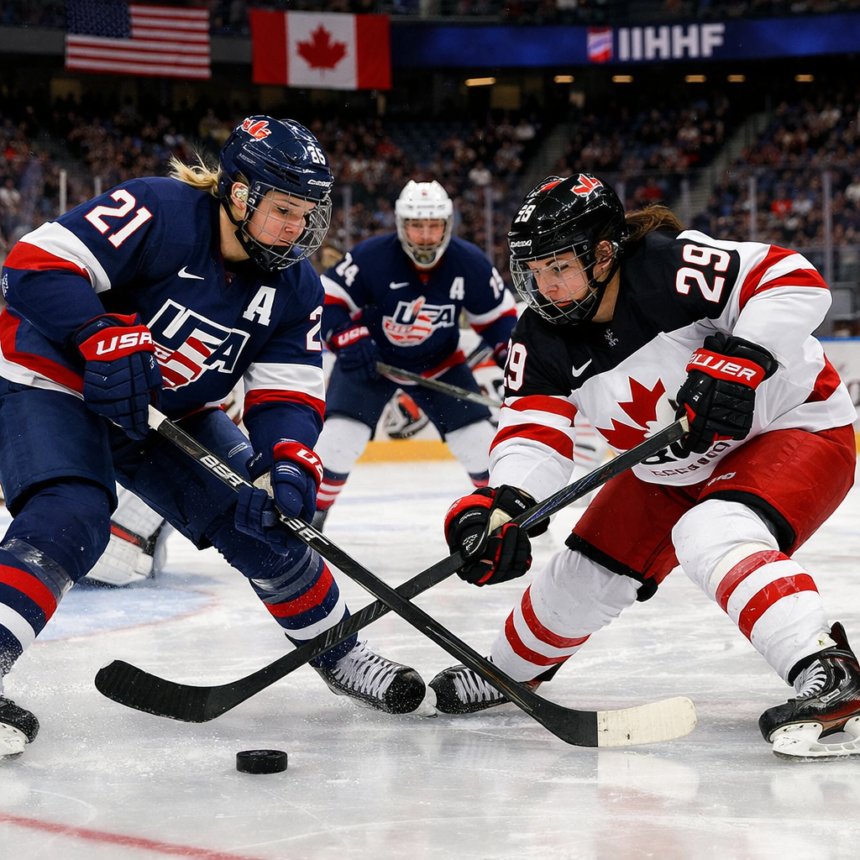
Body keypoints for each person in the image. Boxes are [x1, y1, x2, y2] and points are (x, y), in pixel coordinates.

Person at [0, 116, 429, 760]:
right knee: (72, 512)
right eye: (284, 209)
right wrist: (96, 332)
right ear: (237, 193)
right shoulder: (158, 209)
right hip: (58, 377)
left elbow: (288, 395)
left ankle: (340, 653)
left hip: (169, 411)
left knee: (268, 523)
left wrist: (287, 464)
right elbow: (31, 266)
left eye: (308, 212)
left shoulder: (297, 285)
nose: (298, 228)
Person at [430, 173, 860, 754]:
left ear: (603, 253)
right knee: (583, 569)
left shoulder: (667, 269)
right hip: (669, 467)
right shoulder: (538, 336)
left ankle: (831, 673)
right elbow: (534, 428)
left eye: (559, 267)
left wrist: (742, 359)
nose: (545, 286)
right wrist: (507, 501)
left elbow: (792, 279)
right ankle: (507, 670)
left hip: (793, 428)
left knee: (713, 531)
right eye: (535, 271)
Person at [311, 180, 517, 529]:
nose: (425, 235)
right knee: (338, 443)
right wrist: (344, 336)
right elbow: (325, 301)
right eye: (416, 225)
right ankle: (310, 517)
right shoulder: (371, 256)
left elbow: (500, 323)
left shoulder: (470, 263)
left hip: (441, 364)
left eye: (434, 225)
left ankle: (501, 521)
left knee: (479, 446)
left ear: (448, 224)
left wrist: (514, 367)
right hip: (372, 363)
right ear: (401, 224)